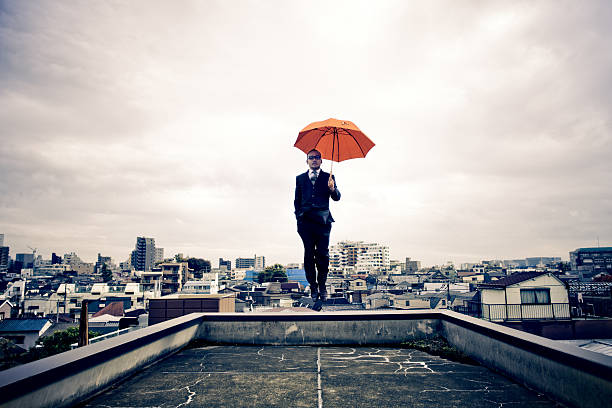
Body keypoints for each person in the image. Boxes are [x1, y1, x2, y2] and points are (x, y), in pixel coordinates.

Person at [294, 149, 341, 302]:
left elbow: (337, 198)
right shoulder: (300, 178)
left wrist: (332, 188)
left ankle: (322, 285)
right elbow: (297, 201)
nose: (314, 160)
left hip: (323, 222)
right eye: (311, 157)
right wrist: (299, 218)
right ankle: (313, 286)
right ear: (307, 161)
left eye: (317, 157)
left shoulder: (329, 177)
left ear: (321, 160)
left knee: (322, 255)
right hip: (306, 222)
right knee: (308, 255)